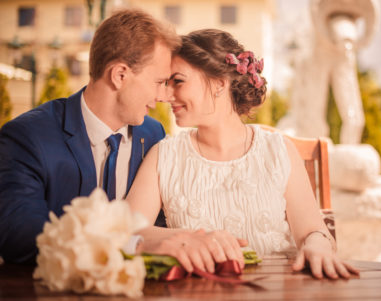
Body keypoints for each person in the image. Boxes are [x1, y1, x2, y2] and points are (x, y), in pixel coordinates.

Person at [0, 9, 245, 266]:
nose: (164, 96)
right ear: (120, 75)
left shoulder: (153, 135)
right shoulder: (27, 137)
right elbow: (20, 237)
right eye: (159, 82)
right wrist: (134, 246)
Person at [127, 29, 359, 279]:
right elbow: (125, 230)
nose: (164, 95)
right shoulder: (164, 156)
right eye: (165, 83)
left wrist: (317, 245)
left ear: (219, 83)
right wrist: (189, 239)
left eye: (178, 81)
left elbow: (313, 232)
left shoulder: (278, 151)